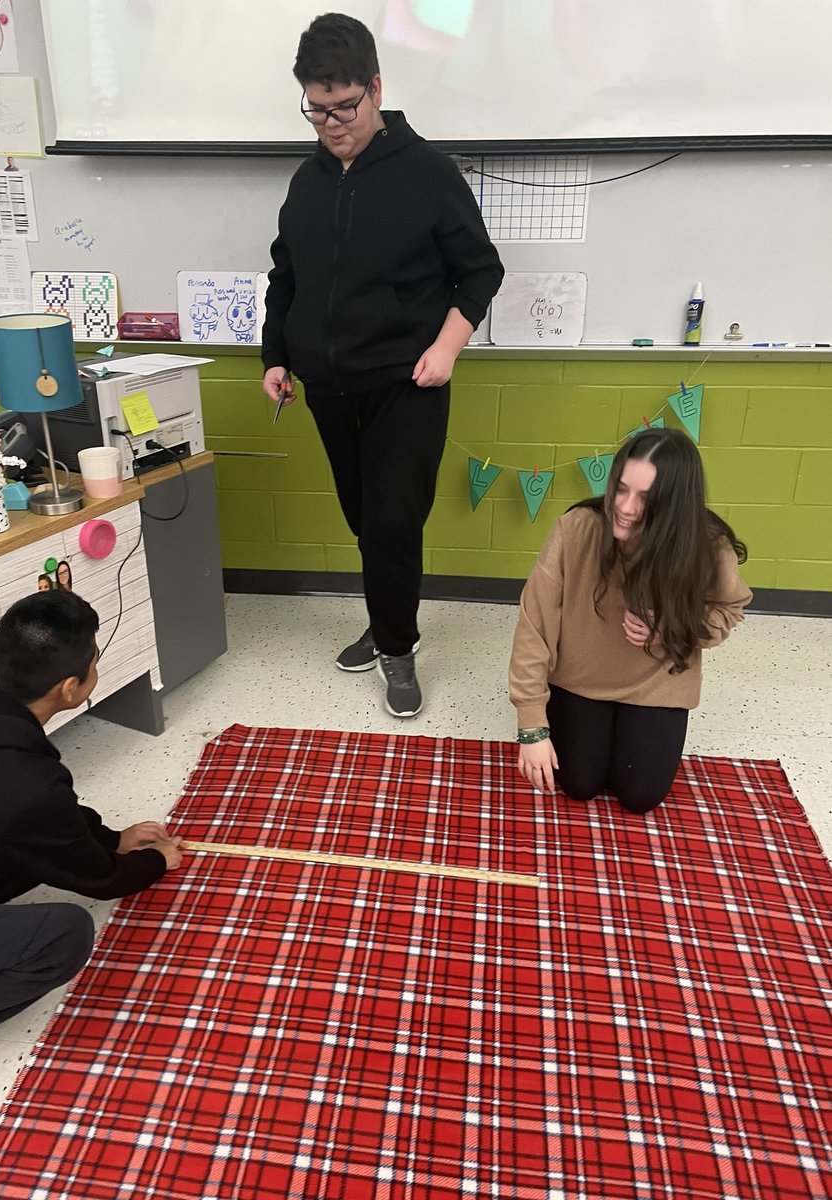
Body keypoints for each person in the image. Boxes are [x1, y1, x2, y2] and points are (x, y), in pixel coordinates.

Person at [261, 13, 503, 719]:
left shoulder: (428, 172)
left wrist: (447, 348)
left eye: (345, 107)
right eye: (317, 109)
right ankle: (387, 614)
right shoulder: (306, 183)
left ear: (375, 87)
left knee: (394, 522)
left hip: (408, 383)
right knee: (366, 522)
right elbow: (286, 278)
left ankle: (398, 648)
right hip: (330, 387)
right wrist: (278, 356)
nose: (332, 123)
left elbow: (480, 272)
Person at [0, 590, 183, 1124]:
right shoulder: (22, 783)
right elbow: (101, 880)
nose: (95, 666)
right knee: (64, 934)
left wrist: (110, 834)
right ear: (71, 688)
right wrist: (157, 862)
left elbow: (46, 818)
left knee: (5, 860)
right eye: (94, 660)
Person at [508, 428, 752, 815]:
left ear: (674, 505)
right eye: (620, 489)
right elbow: (534, 626)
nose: (625, 507)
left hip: (659, 684)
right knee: (579, 785)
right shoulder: (575, 530)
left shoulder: (707, 545)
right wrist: (531, 725)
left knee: (640, 797)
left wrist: (671, 628)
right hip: (579, 680)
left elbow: (729, 610)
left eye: (646, 498)